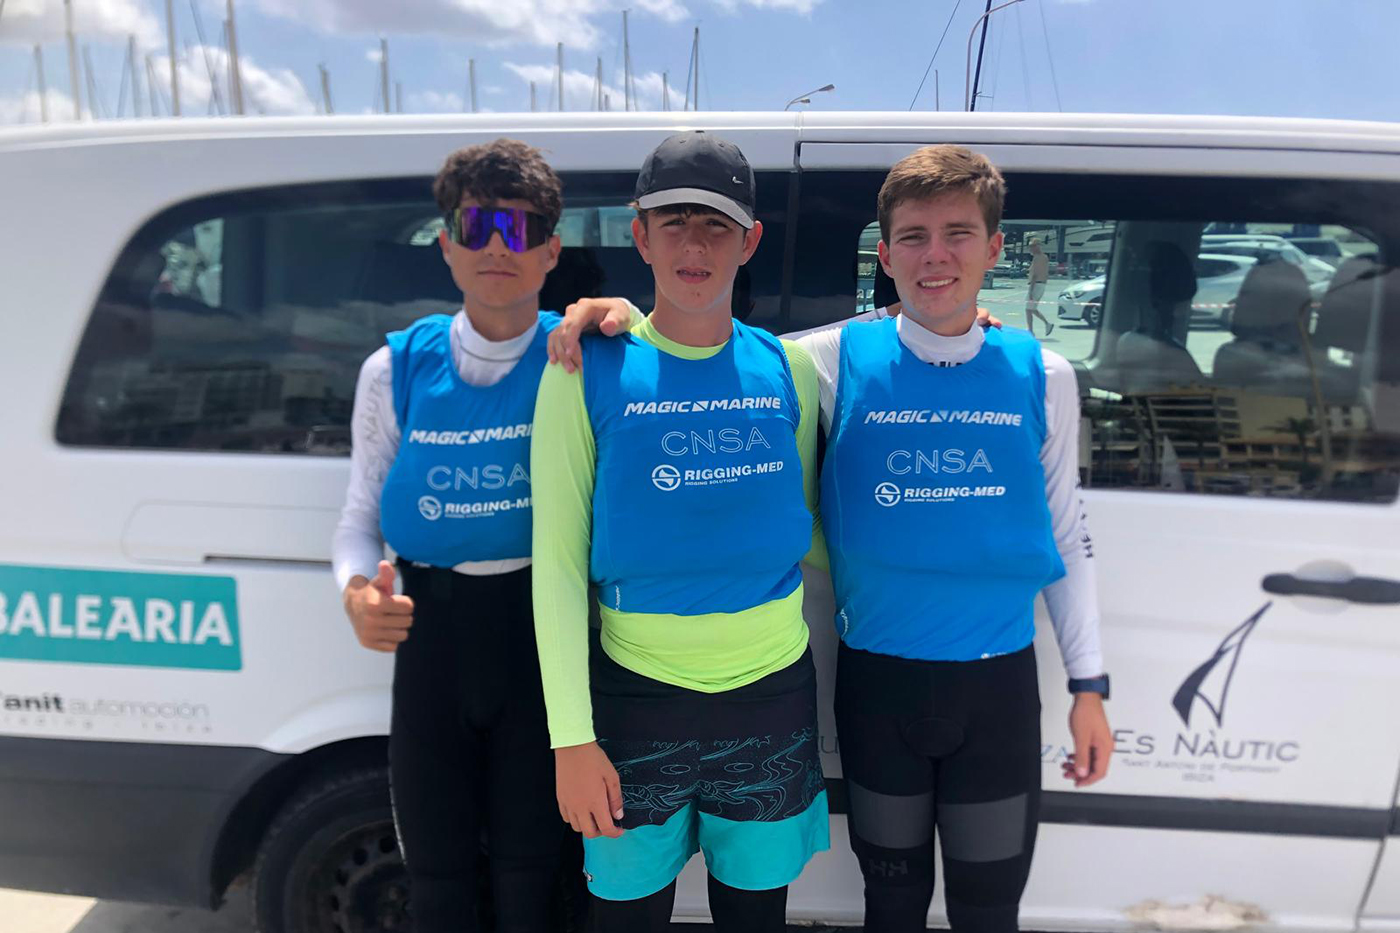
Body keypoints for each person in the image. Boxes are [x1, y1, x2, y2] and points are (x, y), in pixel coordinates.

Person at [550, 144, 1112, 933]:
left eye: (958, 234)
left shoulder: (1037, 371)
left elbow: (1064, 530)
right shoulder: (821, 358)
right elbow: (701, 343)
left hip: (970, 688)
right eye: (913, 237)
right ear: (885, 256)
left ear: (995, 248)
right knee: (888, 907)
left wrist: (1091, 685)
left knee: (987, 911)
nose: (936, 256)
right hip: (853, 683)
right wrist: (600, 311)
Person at [331, 138, 634, 933]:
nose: (499, 246)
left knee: (532, 877)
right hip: (431, 643)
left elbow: (672, 352)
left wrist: (625, 312)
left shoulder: (584, 355)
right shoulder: (394, 369)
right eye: (478, 225)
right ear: (446, 244)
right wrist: (356, 591)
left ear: (551, 251)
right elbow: (359, 518)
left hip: (543, 639)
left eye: (520, 227)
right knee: (437, 878)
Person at [530, 130, 829, 933]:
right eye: (674, 222)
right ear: (640, 235)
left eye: (716, 225)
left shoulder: (791, 369)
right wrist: (571, 738)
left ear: (749, 241)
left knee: (756, 919)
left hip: (771, 697)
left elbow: (803, 523)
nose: (694, 245)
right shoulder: (581, 367)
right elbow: (556, 566)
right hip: (635, 704)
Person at [1024, 238, 1055, 336]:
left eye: (1032, 246)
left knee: (1029, 309)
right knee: (1031, 308)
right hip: (1041, 284)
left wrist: (1031, 290)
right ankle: (1038, 327)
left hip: (1036, 284)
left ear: (1037, 247)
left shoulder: (1038, 258)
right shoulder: (1044, 257)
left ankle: (1032, 330)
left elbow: (1035, 275)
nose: (1030, 249)